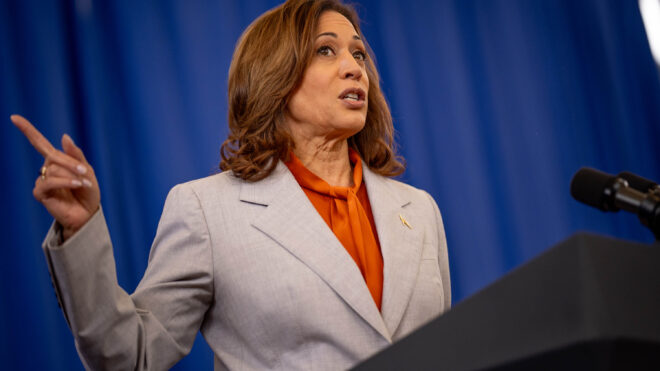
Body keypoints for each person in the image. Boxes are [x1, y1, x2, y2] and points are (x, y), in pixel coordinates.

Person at [12, 0, 451, 369]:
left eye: (357, 54)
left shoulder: (419, 209)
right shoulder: (206, 211)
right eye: (325, 51)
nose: (354, 69)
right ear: (276, 77)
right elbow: (130, 355)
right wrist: (81, 230)